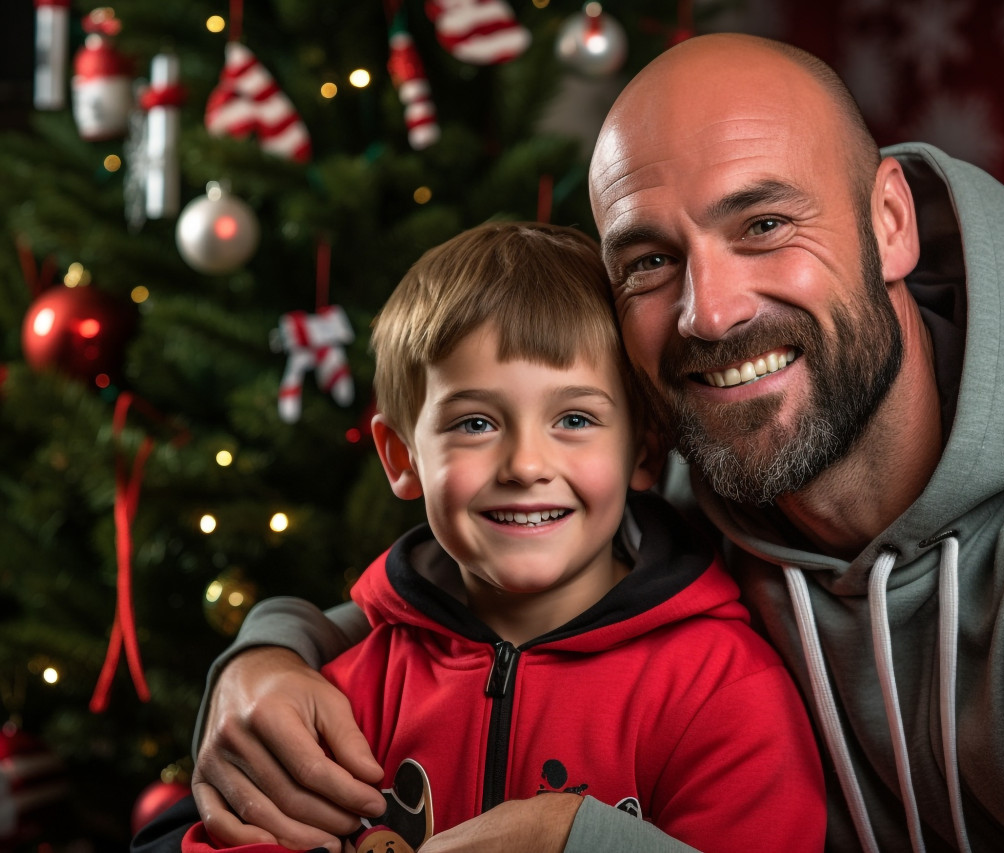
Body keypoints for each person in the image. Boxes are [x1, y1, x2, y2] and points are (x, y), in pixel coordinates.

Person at [178, 33, 1004, 853]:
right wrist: (267, 659)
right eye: (649, 261)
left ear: (889, 221)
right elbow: (455, 613)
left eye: (763, 223)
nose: (709, 313)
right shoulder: (697, 479)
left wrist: (580, 844)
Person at [138, 221, 825, 853]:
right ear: (402, 458)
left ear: (643, 451)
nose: (525, 465)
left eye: (575, 419)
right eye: (475, 424)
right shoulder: (346, 690)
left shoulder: (722, 691)